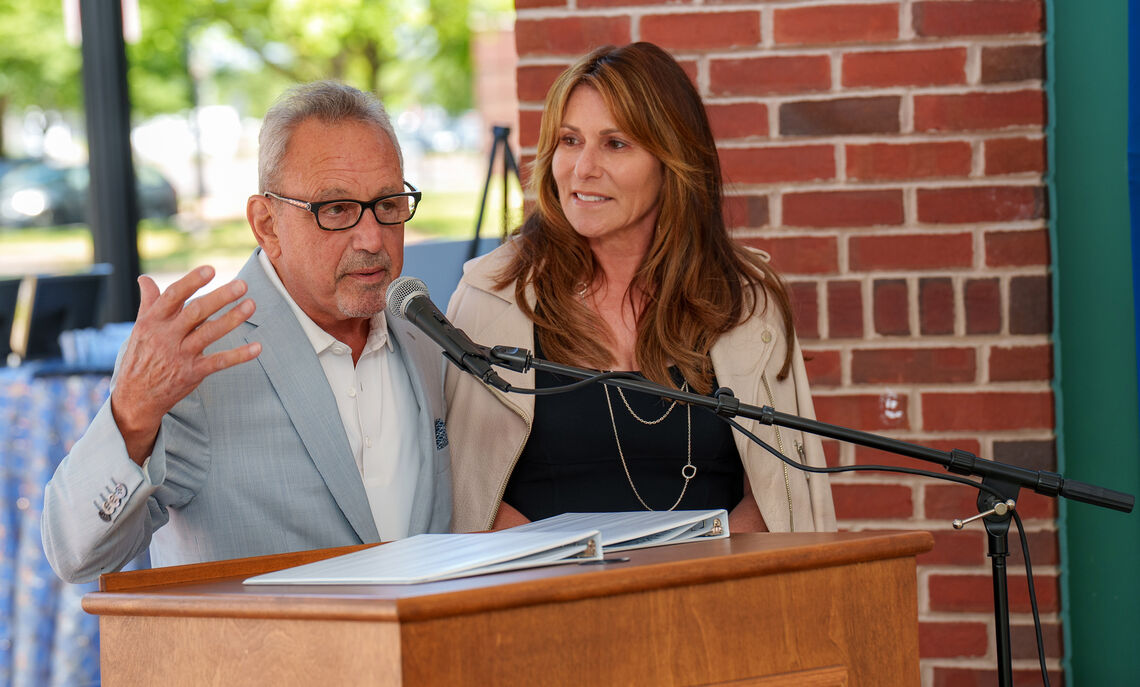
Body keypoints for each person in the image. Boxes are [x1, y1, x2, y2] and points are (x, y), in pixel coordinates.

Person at [42, 81, 451, 584]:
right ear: (267, 224)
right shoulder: (200, 359)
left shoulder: (425, 332)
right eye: (336, 209)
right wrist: (130, 417)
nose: (372, 237)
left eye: (388, 203)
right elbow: (75, 554)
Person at [444, 42, 835, 534]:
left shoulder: (746, 303)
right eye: (569, 140)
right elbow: (466, 492)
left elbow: (780, 496)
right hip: (541, 595)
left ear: (671, 160)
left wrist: (681, 586)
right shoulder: (489, 298)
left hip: (712, 594)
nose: (583, 169)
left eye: (616, 143)